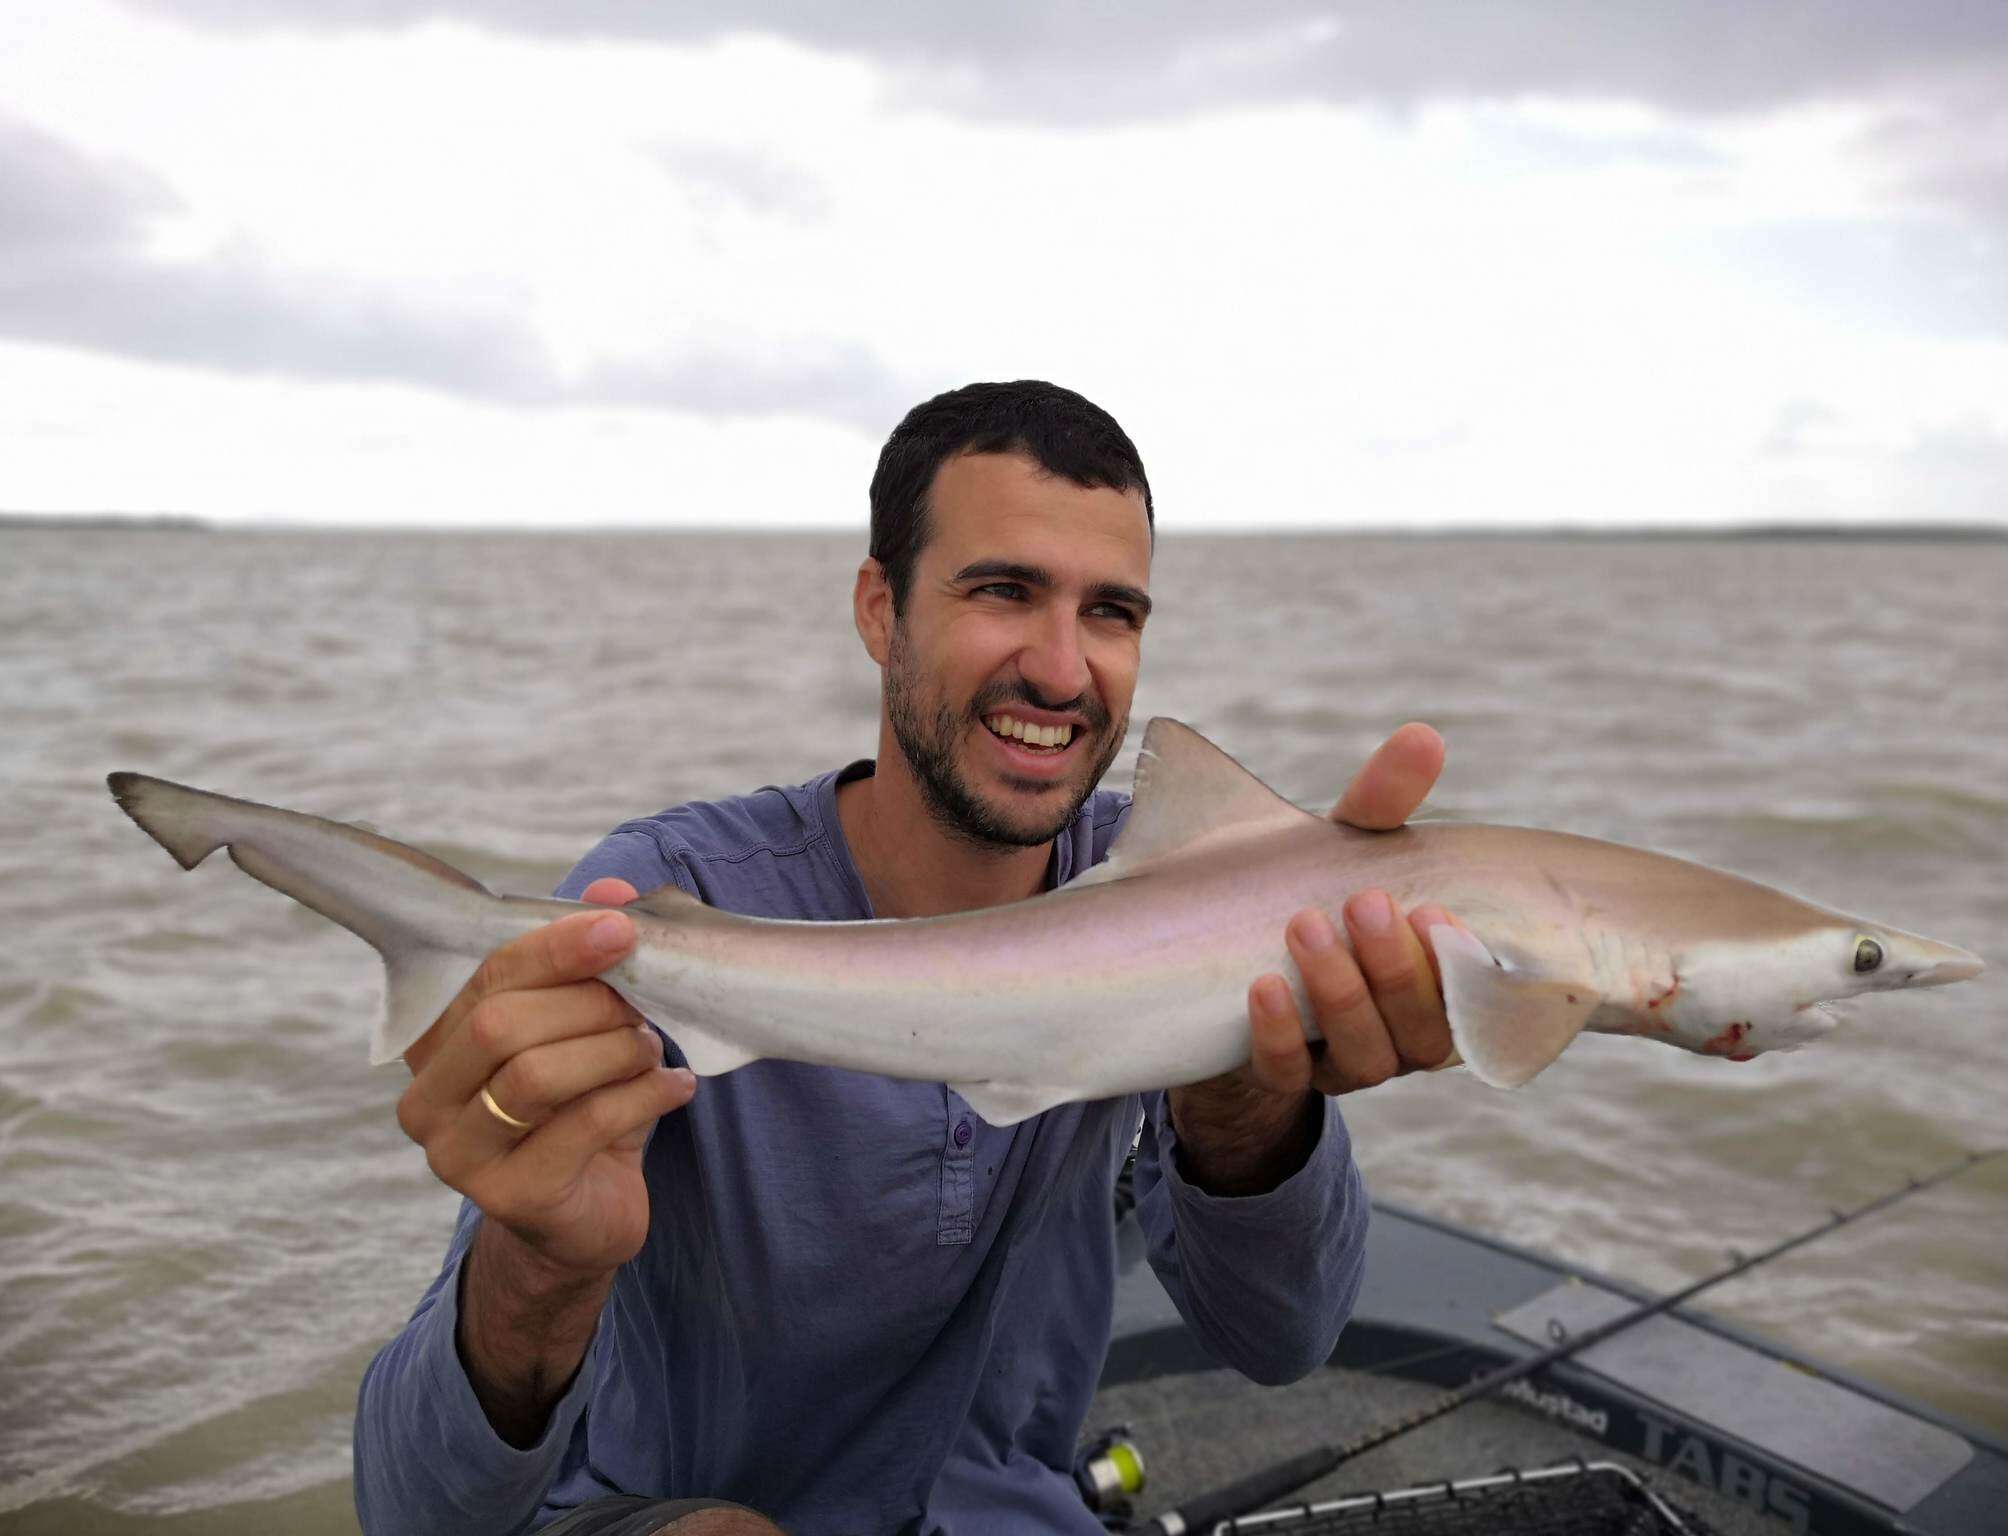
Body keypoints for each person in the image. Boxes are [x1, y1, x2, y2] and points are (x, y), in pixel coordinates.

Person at [355, 381, 1459, 1536]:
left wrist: (1246, 1108)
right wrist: (540, 1265)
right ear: (880, 609)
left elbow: (1281, 1344)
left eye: (1111, 613)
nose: (1061, 669)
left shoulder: (1166, 894)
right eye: (1003, 591)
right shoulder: (666, 907)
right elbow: (413, 1517)